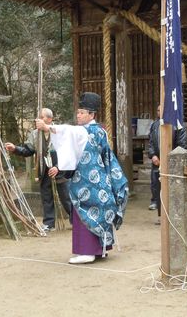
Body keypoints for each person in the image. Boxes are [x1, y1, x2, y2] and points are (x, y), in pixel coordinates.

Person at [35, 92, 129, 264]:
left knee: (84, 210)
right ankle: (100, 249)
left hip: (87, 180)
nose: (78, 115)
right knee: (98, 210)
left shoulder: (86, 131)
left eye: (82, 113)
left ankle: (88, 251)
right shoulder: (100, 131)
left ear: (92, 115)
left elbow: (68, 131)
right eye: (77, 112)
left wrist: (48, 127)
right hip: (101, 179)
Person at [5, 108, 72, 232]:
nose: (39, 120)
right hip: (43, 167)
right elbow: (28, 150)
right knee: (46, 196)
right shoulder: (35, 134)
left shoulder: (59, 131)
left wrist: (57, 167)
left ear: (50, 119)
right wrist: (15, 149)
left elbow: (66, 152)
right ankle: (49, 223)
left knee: (65, 196)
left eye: (42, 117)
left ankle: (76, 221)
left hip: (60, 168)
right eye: (38, 118)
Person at [148, 105, 187, 223]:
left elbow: (182, 145)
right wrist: (153, 155)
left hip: (173, 164)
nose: (159, 112)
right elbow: (150, 142)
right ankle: (162, 217)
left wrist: (171, 160)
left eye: (161, 110)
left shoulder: (178, 125)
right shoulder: (155, 125)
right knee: (158, 188)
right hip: (158, 162)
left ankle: (174, 217)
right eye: (158, 110)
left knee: (173, 191)